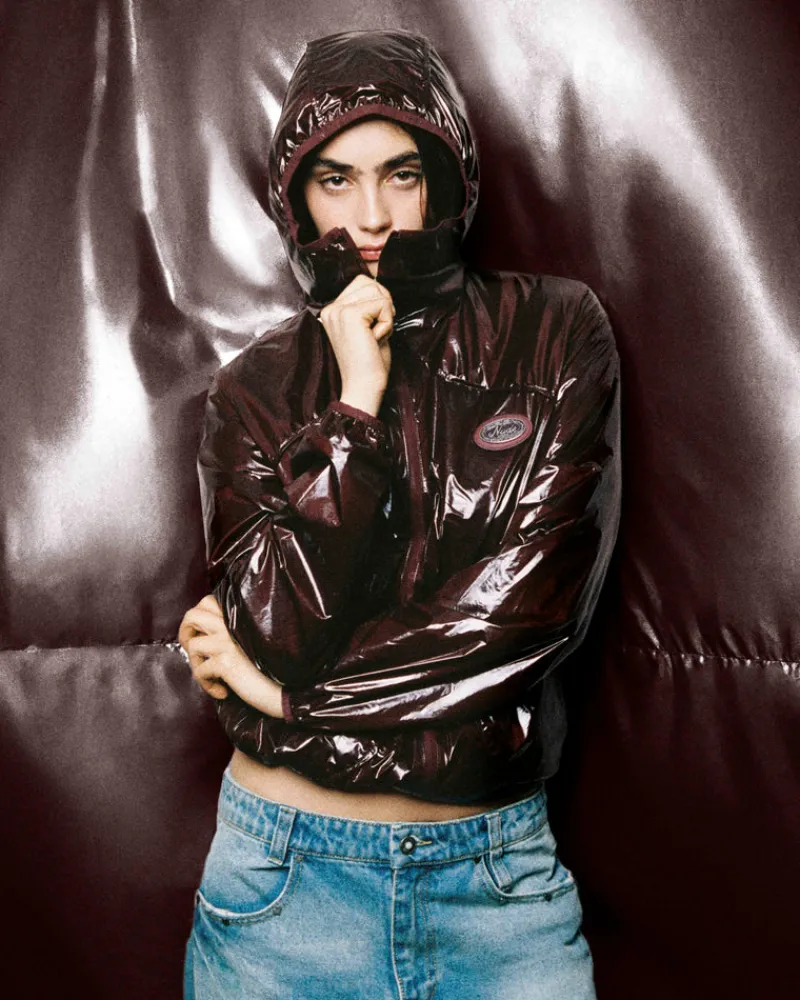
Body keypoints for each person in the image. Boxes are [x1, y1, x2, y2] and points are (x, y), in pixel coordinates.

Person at [179, 28, 620, 1000]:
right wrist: (355, 408)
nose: (372, 215)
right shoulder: (252, 390)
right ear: (294, 194)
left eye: (401, 174)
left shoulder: (555, 330)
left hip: (495, 884)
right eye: (335, 179)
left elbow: (525, 615)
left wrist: (285, 703)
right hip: (280, 888)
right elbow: (278, 629)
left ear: (447, 178)